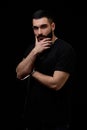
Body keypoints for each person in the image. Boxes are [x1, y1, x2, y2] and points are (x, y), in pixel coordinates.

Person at [16, 9, 76, 130]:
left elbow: (56, 84)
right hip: (31, 119)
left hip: (56, 121)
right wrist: (34, 51)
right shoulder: (32, 49)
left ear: (52, 26)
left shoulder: (65, 49)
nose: (39, 32)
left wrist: (32, 72)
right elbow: (19, 73)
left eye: (43, 27)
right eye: (35, 28)